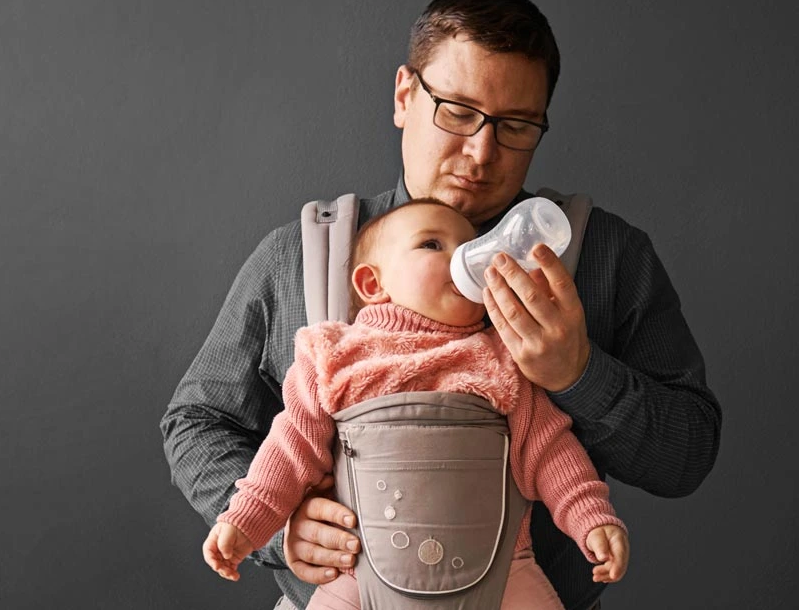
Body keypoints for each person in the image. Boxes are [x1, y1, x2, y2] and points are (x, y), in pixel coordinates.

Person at [162, 0, 721, 610]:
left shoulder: (607, 258)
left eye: (515, 126)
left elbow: (689, 453)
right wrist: (277, 526)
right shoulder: (299, 256)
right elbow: (196, 421)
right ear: (405, 95)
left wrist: (579, 374)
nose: (481, 154)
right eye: (456, 110)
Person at [202, 199, 629, 609]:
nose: (465, 259)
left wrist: (591, 516)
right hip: (360, 576)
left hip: (502, 574)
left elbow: (548, 448)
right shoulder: (334, 357)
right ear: (373, 284)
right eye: (432, 244)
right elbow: (290, 449)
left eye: (469, 247)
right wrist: (245, 521)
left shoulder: (502, 358)